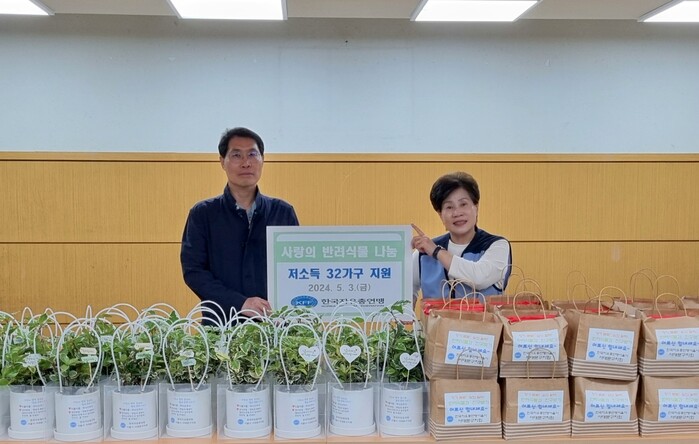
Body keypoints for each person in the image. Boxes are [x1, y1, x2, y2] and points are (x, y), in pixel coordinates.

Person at [180, 127, 299, 321]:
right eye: (236, 155)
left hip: (274, 324)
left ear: (263, 159)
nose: (246, 163)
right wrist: (240, 303)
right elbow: (194, 272)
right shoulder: (203, 214)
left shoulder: (283, 212)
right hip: (221, 325)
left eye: (252, 154)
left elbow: (294, 269)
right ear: (222, 161)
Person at [411, 172, 511, 304]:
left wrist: (437, 252)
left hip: (485, 319)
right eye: (449, 207)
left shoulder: (497, 245)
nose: (457, 213)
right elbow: (405, 295)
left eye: (463, 204)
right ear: (440, 214)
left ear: (476, 207)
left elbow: (479, 278)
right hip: (434, 319)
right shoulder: (422, 254)